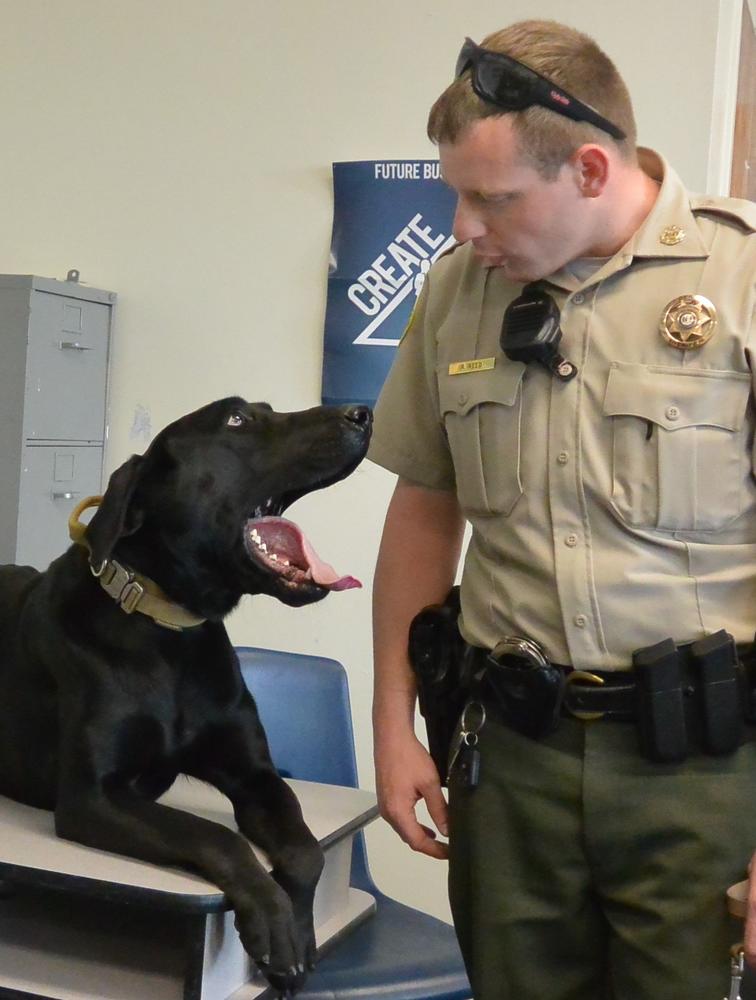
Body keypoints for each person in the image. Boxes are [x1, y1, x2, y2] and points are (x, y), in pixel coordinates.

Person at [368, 19, 756, 1000]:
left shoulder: (740, 280)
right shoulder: (456, 294)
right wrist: (393, 719)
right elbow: (424, 507)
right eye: (456, 193)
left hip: (702, 776)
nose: (462, 227)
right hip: (513, 767)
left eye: (489, 198)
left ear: (589, 169)